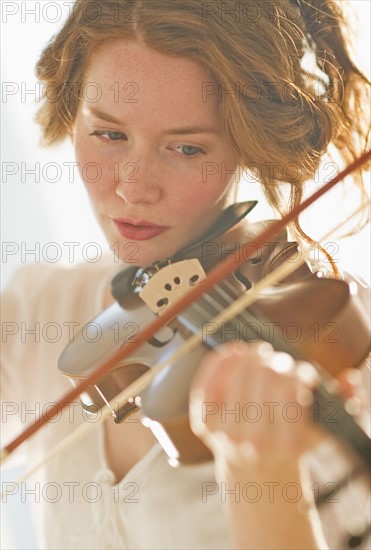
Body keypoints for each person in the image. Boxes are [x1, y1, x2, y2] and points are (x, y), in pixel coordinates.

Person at [1, 1, 370, 549]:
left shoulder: (329, 344)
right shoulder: (43, 307)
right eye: (108, 135)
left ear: (249, 144)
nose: (132, 186)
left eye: (186, 147)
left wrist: (262, 477)